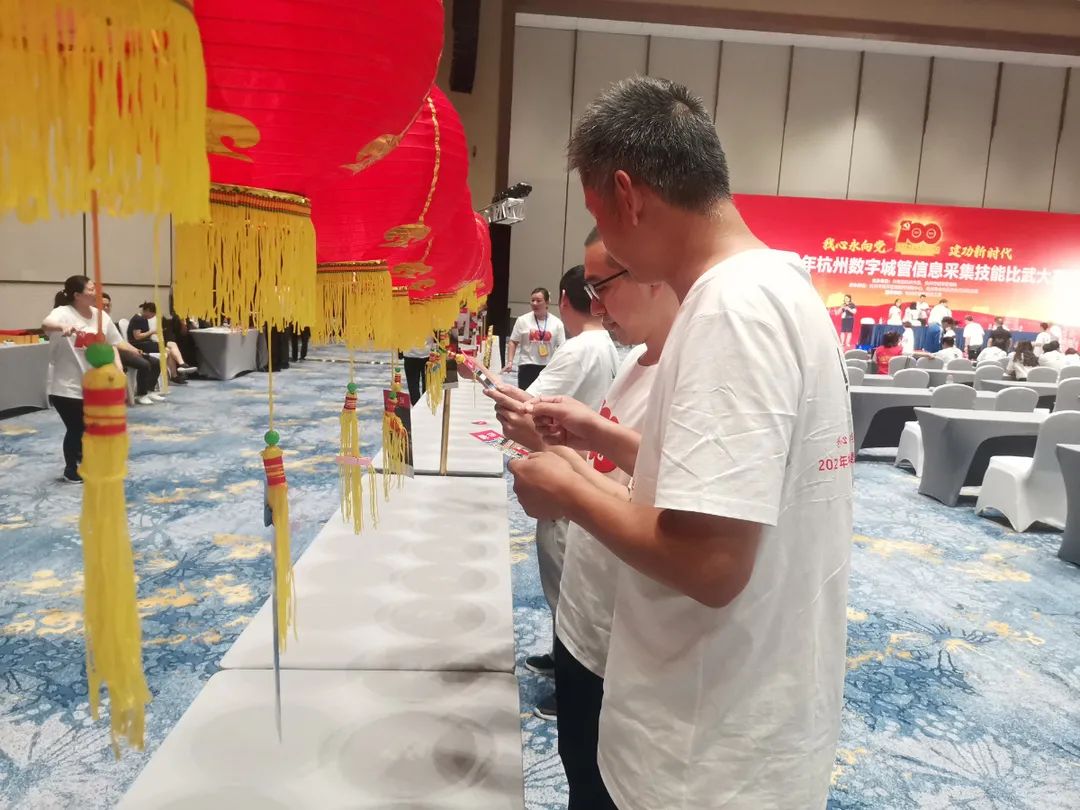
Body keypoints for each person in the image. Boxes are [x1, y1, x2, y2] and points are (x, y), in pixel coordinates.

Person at [506, 76, 852, 809]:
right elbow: (726, 487)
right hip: (742, 717)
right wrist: (594, 443)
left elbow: (711, 562)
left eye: (597, 213)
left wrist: (567, 487)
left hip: (701, 749)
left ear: (626, 196)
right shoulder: (779, 286)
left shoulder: (731, 309)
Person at [490, 230, 679, 805]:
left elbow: (685, 536)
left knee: (605, 784)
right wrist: (564, 446)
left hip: (623, 632)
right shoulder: (634, 363)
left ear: (653, 271)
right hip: (586, 611)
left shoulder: (688, 375)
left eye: (603, 287)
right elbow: (618, 473)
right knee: (580, 768)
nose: (595, 306)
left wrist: (566, 486)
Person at [504, 261, 620, 721]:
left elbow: (529, 405)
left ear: (565, 301)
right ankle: (562, 657)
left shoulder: (580, 347)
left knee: (564, 580)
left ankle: (571, 681)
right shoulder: (608, 343)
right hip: (588, 462)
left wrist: (495, 391)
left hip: (566, 465)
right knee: (572, 577)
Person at [42, 276, 129, 482]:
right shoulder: (63, 313)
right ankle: (71, 470)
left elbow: (113, 343)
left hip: (94, 385)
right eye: (90, 289)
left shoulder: (101, 316)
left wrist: (122, 365)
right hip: (66, 386)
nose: (95, 292)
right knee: (77, 427)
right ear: (77, 295)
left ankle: (87, 460)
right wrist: (61, 327)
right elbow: (46, 323)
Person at [503, 287, 566, 390]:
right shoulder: (522, 320)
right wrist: (510, 362)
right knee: (525, 395)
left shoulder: (557, 323)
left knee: (543, 397)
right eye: (532, 300)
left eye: (538, 301)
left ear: (547, 302)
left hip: (547, 367)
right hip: (527, 365)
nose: (535, 303)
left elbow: (561, 347)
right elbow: (513, 341)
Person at [128, 301, 196, 385]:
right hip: (139, 345)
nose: (152, 316)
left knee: (170, 348)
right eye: (152, 314)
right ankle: (181, 365)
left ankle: (175, 374)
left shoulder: (143, 319)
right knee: (170, 346)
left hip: (145, 343)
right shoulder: (138, 319)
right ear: (147, 311)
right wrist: (152, 332)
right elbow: (137, 336)